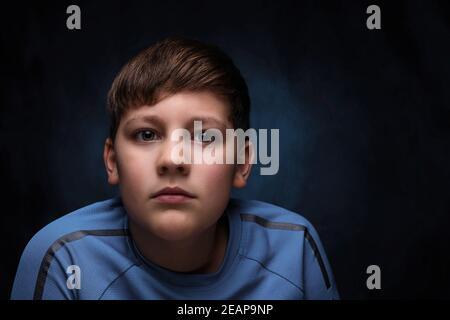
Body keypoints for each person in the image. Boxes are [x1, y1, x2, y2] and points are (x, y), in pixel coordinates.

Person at [11, 36, 339, 299]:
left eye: (204, 137)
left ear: (241, 162)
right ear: (112, 162)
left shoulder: (293, 248)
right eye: (147, 134)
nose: (172, 159)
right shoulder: (63, 258)